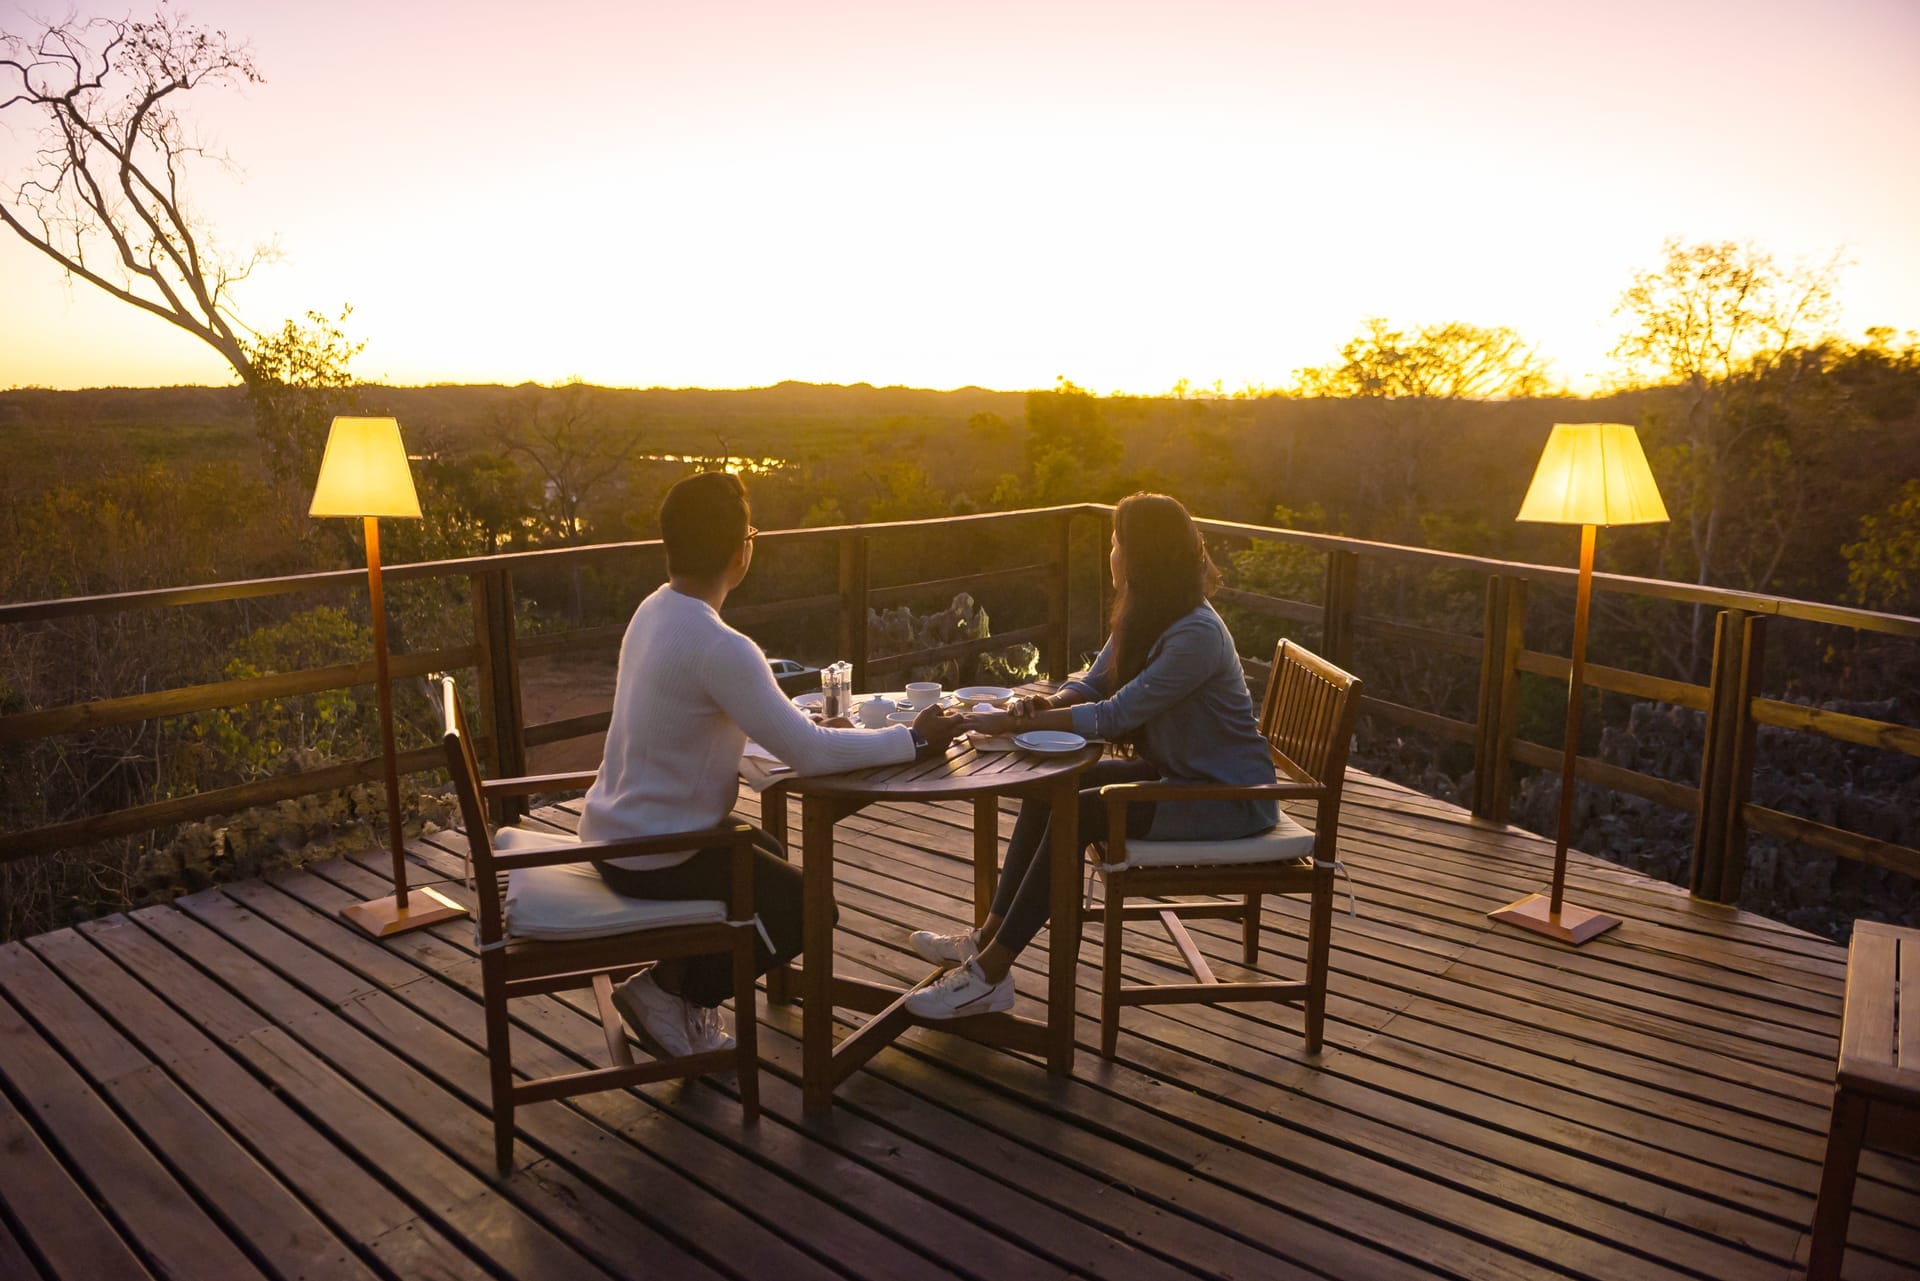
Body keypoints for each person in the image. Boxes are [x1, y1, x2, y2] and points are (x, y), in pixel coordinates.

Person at [581, 471, 963, 1057]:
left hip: (615, 833)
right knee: (810, 910)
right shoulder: (722, 646)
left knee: (766, 849)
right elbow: (810, 753)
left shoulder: (654, 610)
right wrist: (912, 740)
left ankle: (673, 984)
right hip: (654, 853)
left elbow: (709, 728)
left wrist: (813, 735)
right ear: (741, 552)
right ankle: (668, 992)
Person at [904, 492, 1279, 1020]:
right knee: (1051, 789)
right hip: (1179, 775)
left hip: (1228, 797)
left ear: (1142, 557)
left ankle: (990, 975)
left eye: (1116, 544)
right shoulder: (1150, 614)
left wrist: (1016, 721)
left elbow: (1113, 715)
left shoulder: (1196, 634)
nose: (1111, 554)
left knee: (1081, 811)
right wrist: (1046, 703)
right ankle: (986, 938)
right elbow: (1093, 683)